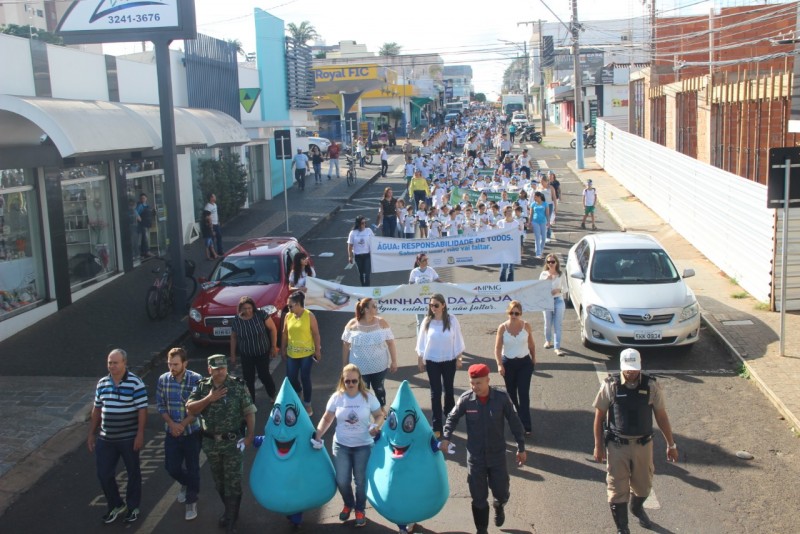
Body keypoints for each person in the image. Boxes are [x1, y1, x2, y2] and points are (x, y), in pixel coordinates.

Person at [593, 349, 679, 534]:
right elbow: (599, 417)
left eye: (634, 369)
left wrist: (671, 444)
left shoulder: (652, 385)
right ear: (622, 367)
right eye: (627, 369)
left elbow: (661, 416)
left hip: (643, 445)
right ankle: (622, 528)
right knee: (616, 489)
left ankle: (636, 507)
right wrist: (598, 446)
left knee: (643, 486)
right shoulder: (610, 385)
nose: (630, 372)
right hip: (617, 446)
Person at [440, 364, 527, 534]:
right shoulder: (466, 399)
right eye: (472, 383)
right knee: (478, 498)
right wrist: (446, 437)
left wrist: (521, 447)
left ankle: (499, 505)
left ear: (488, 380)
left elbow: (515, 423)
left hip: (497, 457)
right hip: (475, 458)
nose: (475, 387)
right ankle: (482, 530)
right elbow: (452, 418)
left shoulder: (502, 398)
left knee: (501, 492)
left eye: (478, 383)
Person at [187, 355, 256, 533]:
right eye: (216, 369)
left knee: (233, 481)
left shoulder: (237, 385)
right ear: (209, 369)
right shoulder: (202, 387)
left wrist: (249, 436)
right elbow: (191, 409)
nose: (220, 372)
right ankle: (230, 511)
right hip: (211, 443)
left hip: (232, 442)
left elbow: (249, 411)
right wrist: (209, 399)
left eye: (223, 368)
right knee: (220, 482)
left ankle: (231, 520)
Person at [315, 364, 385, 528]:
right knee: (342, 480)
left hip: (364, 446)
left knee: (361, 481)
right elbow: (327, 418)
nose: (351, 384)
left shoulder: (367, 396)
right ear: (342, 381)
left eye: (354, 381)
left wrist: (376, 425)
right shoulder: (337, 397)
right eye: (348, 381)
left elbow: (379, 415)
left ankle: (360, 509)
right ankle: (348, 504)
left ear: (359, 380)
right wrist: (317, 435)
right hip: (341, 446)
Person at [87, 349, 148, 524]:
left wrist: (140, 434)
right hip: (106, 438)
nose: (112, 366)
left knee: (133, 473)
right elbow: (97, 409)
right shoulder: (102, 383)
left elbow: (142, 410)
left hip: (128, 438)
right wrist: (91, 433)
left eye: (115, 362)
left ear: (124, 363)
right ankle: (115, 504)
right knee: (104, 474)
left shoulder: (136, 383)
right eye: (109, 362)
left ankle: (133, 506)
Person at [156, 347, 203, 521]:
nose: (172, 368)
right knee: (171, 467)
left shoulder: (196, 379)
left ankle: (191, 500)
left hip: (191, 432)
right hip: (171, 433)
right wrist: (171, 424)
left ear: (185, 363)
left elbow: (199, 407)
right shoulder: (163, 380)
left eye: (176, 364)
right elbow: (160, 405)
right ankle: (186, 483)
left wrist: (182, 424)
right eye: (170, 364)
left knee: (193, 468)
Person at [416, 293, 465, 437]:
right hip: (432, 360)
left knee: (448, 390)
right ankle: (437, 424)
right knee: (435, 392)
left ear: (443, 305)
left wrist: (459, 358)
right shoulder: (427, 321)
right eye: (431, 305)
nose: (433, 308)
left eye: (436, 305)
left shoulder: (452, 320)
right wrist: (420, 359)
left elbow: (458, 339)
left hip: (449, 359)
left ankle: (449, 419)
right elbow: (422, 341)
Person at [341, 298, 397, 406]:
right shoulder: (352, 324)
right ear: (366, 309)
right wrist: (344, 364)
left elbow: (390, 343)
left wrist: (394, 361)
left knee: (379, 390)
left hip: (379, 366)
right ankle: (364, 417)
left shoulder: (381, 322)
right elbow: (345, 345)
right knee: (362, 394)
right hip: (359, 368)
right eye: (374, 306)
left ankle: (381, 413)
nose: (376, 308)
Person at [493, 301, 536, 434]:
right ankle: (516, 420)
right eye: (511, 312)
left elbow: (531, 345)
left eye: (516, 313)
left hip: (524, 363)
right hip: (508, 364)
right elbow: (498, 348)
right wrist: (499, 364)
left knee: (523, 393)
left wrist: (533, 358)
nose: (514, 315)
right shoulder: (502, 328)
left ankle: (526, 425)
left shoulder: (526, 326)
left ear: (520, 314)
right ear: (508, 313)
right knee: (511, 395)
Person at [230, 296, 279, 404]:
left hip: (262, 352)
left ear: (253, 307)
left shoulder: (261, 315)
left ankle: (273, 394)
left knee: (264, 375)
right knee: (248, 379)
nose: (247, 310)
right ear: (240, 309)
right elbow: (233, 337)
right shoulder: (236, 320)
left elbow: (273, 329)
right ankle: (251, 403)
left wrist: (273, 346)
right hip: (246, 354)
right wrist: (232, 355)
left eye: (249, 308)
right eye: (244, 308)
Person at [281, 291, 322, 415]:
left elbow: (315, 333)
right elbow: (284, 333)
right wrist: (283, 349)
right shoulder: (288, 316)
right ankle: (298, 391)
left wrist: (317, 350)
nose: (289, 308)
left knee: (305, 377)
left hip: (307, 353)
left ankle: (307, 404)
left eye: (290, 306)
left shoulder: (309, 315)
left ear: (298, 304)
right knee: (291, 378)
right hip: (292, 353)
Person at [540, 254, 566, 356]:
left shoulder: (561, 274)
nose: (550, 264)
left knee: (557, 324)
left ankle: (557, 347)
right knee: (547, 323)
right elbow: (539, 288)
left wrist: (559, 290)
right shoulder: (543, 274)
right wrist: (547, 280)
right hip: (547, 301)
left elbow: (566, 288)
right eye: (548, 262)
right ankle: (548, 340)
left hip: (558, 300)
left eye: (552, 262)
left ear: (556, 263)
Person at [347, 215, 375, 287]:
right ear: (358, 223)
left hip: (367, 255)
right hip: (358, 256)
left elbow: (374, 241)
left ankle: (367, 289)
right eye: (362, 223)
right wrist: (350, 256)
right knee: (361, 274)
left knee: (367, 274)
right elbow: (350, 245)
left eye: (365, 223)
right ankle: (363, 287)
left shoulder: (369, 230)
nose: (363, 225)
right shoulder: (353, 233)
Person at [530, 192, 550, 260]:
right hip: (535, 222)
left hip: (543, 222)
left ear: (539, 197)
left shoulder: (545, 204)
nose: (534, 198)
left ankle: (540, 251)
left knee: (544, 238)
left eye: (535, 197)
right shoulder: (533, 204)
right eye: (534, 197)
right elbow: (531, 214)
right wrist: (530, 222)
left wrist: (548, 222)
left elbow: (547, 214)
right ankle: (538, 253)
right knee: (537, 237)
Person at [135, 193, 153, 258]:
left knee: (145, 238)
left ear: (146, 198)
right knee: (145, 238)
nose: (142, 199)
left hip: (147, 224)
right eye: (141, 198)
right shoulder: (140, 206)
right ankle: (146, 251)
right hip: (142, 225)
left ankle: (144, 252)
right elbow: (135, 211)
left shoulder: (148, 206)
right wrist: (138, 216)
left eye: (144, 198)